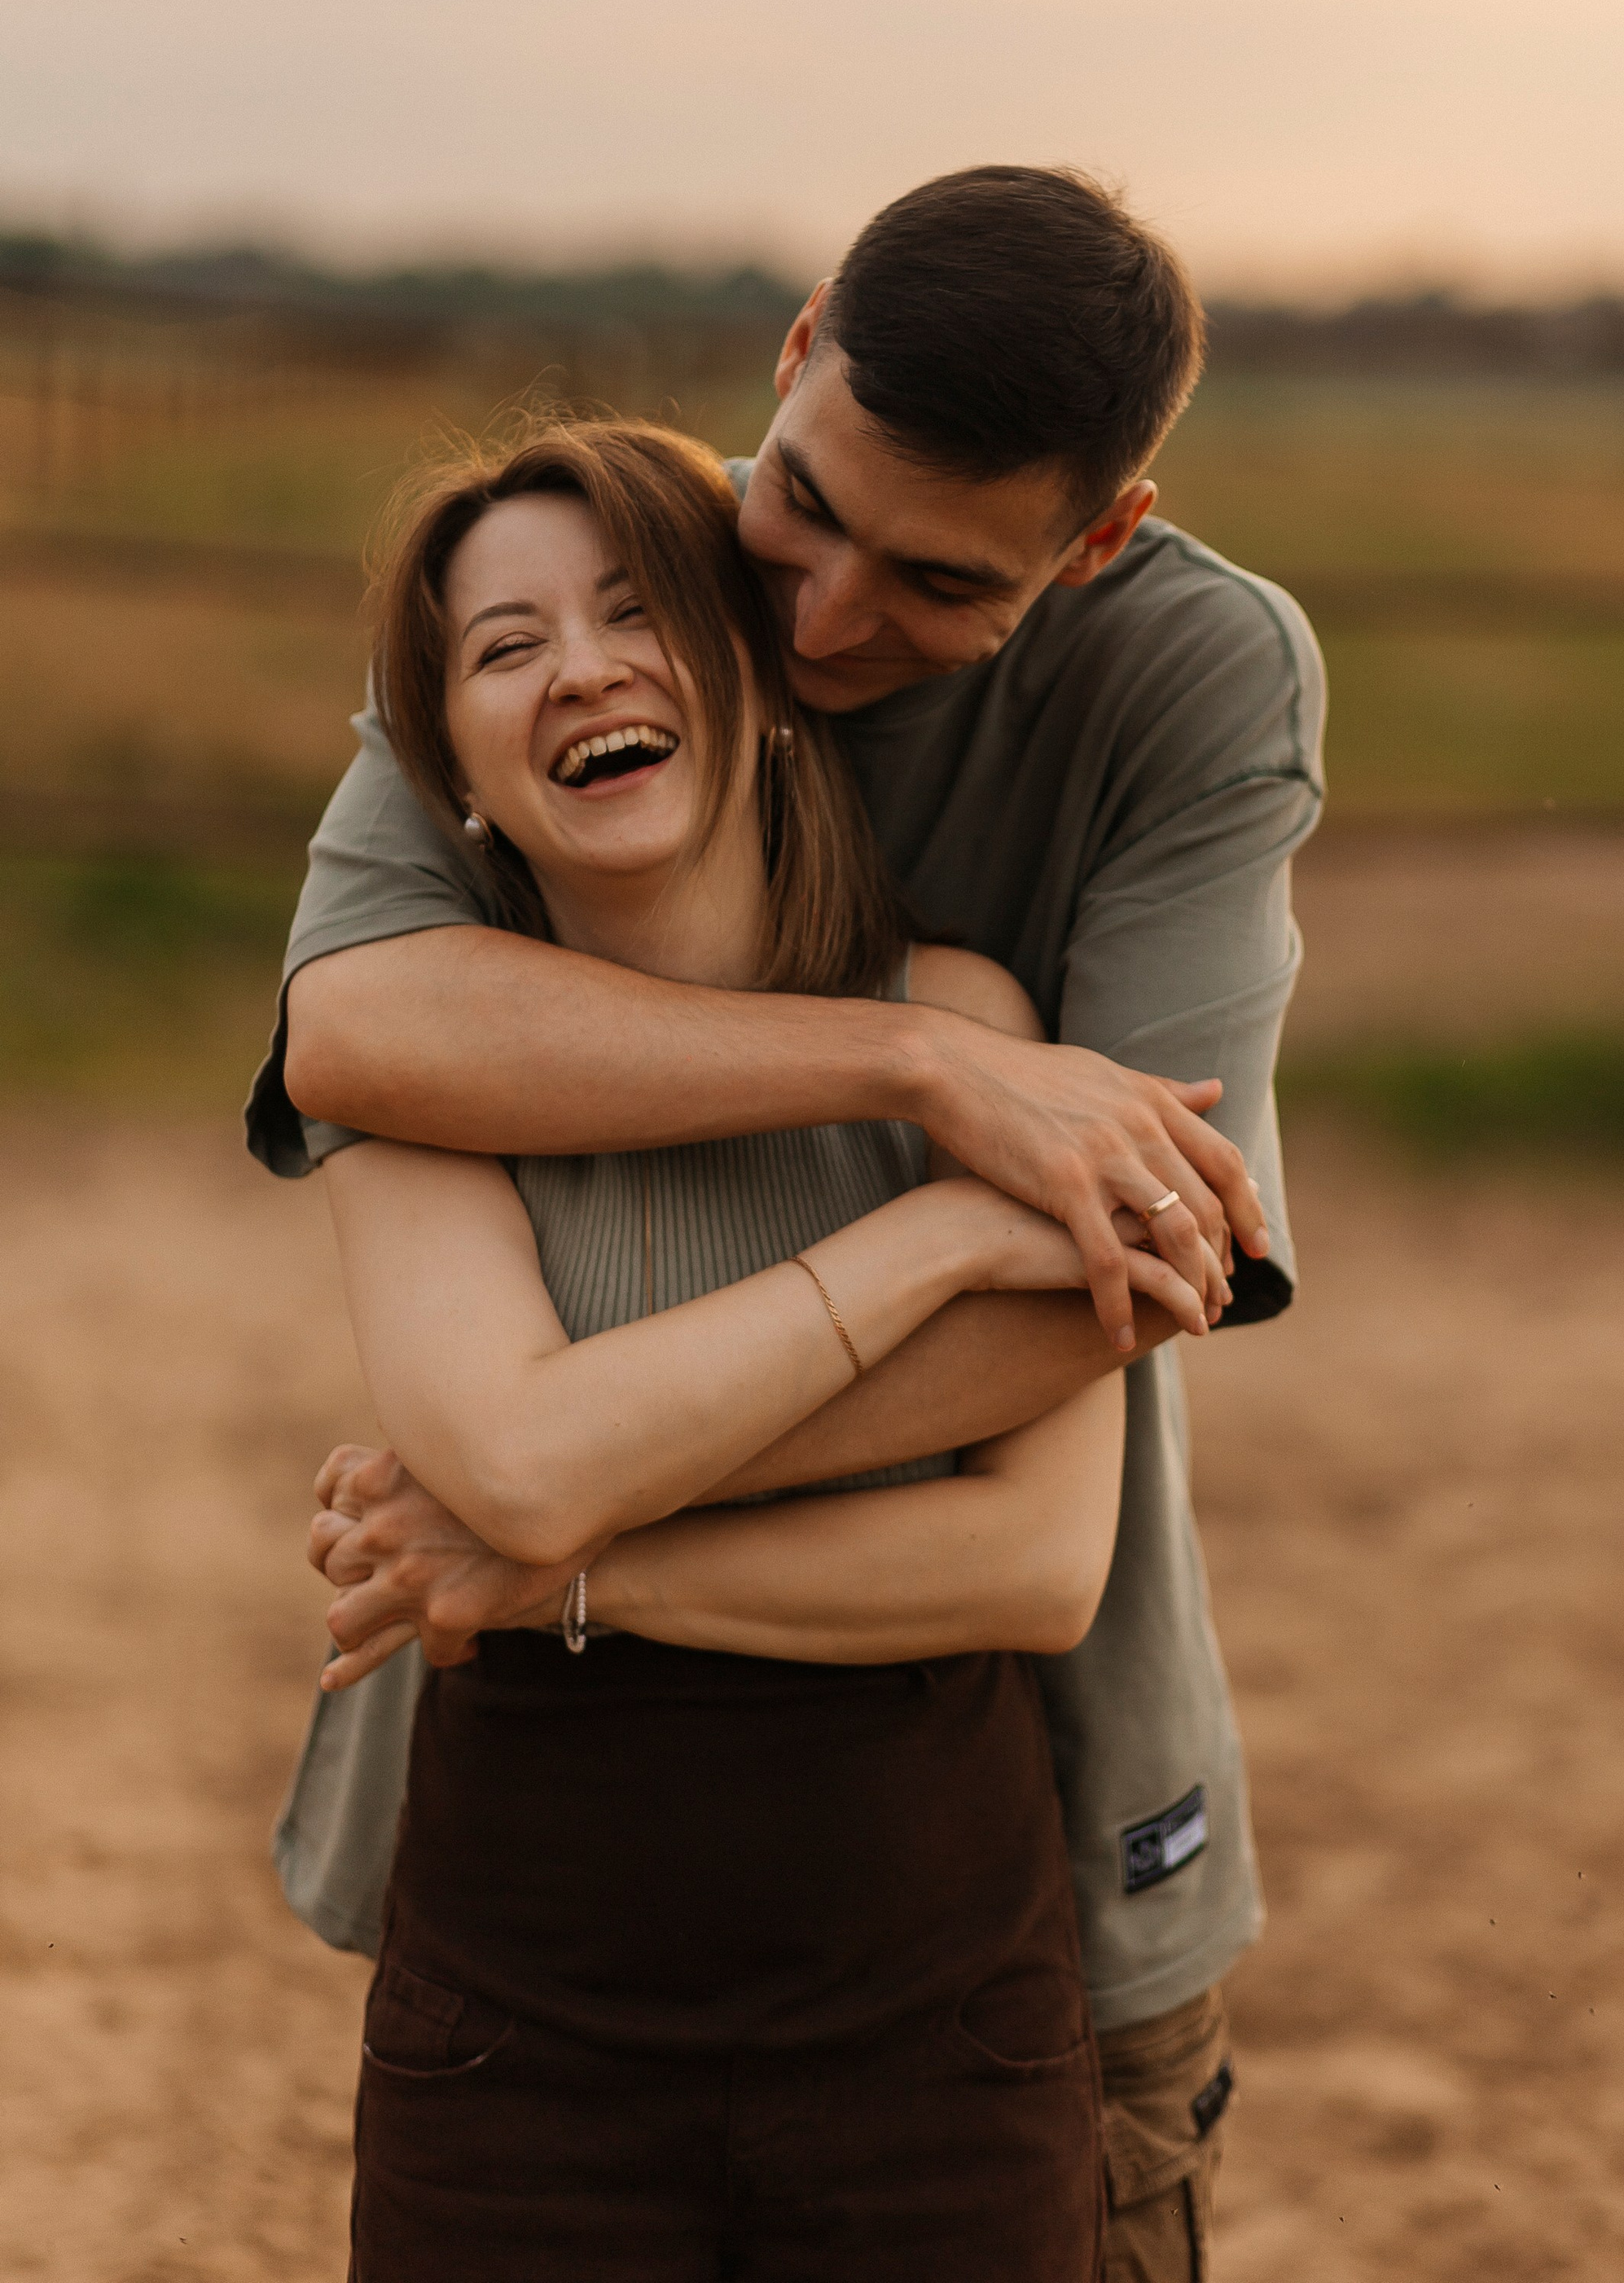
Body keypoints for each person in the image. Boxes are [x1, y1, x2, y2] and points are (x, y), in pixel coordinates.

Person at [253, 165, 1326, 2281]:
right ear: (794, 353)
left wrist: (556, 1526)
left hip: (1007, 1810)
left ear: (1094, 539)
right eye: (809, 509)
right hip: (558, 1891)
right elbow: (358, 1031)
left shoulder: (1195, 676)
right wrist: (917, 1085)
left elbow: (1152, 1259)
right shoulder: (618, 586)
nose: (819, 619)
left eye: (933, 581)